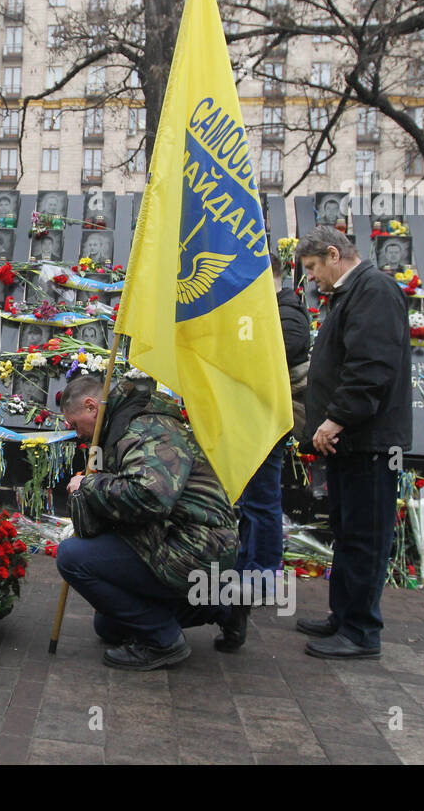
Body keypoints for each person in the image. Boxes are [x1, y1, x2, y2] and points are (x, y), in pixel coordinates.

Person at [55, 375, 243, 669]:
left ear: (92, 406)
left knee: (72, 557)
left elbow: (150, 497)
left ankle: (163, 641)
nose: (77, 433)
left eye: (76, 424)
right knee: (109, 627)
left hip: (195, 545)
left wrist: (88, 487)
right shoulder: (121, 426)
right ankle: (222, 605)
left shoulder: (146, 428)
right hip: (172, 536)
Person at [294, 227, 411, 659]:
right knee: (347, 532)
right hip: (351, 442)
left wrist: (337, 418)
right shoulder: (353, 292)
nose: (312, 280)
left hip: (369, 441)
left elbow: (370, 366)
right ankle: (342, 617)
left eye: (312, 269)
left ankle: (362, 632)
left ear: (332, 255)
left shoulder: (374, 290)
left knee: (365, 536)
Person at [232, 282, 310, 597]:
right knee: (252, 499)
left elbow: (272, 356)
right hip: (257, 413)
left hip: (270, 416)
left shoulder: (288, 314)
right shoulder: (276, 310)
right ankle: (247, 567)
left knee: (262, 500)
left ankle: (263, 575)